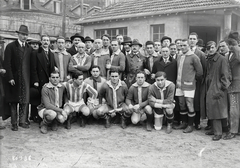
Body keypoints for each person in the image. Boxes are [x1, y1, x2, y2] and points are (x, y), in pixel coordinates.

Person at [4, 25, 33, 131]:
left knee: (24, 101)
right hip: (14, 79)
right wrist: (10, 77)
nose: (24, 37)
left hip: (25, 79)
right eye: (22, 34)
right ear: (18, 35)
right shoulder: (10, 46)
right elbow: (7, 64)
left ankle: (22, 121)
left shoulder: (29, 48)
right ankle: (14, 123)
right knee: (14, 102)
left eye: (26, 35)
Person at [174, 39, 203, 133]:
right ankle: (184, 123)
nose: (182, 47)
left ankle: (190, 125)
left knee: (189, 104)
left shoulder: (194, 57)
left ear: (189, 46)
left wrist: (192, 80)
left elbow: (200, 72)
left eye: (184, 45)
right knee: (182, 104)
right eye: (181, 45)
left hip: (189, 85)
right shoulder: (179, 56)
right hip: (179, 85)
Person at [204, 41, 230, 141]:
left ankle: (218, 133)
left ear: (216, 48)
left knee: (217, 110)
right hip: (210, 86)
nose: (210, 49)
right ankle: (215, 129)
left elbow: (225, 75)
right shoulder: (209, 59)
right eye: (208, 47)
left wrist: (222, 89)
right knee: (213, 109)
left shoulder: (222, 59)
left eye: (213, 47)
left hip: (218, 87)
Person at [30, 34, 56, 123]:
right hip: (39, 79)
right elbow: (33, 68)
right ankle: (34, 115)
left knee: (45, 98)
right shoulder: (35, 53)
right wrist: (35, 80)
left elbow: (52, 67)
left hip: (48, 79)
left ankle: (43, 115)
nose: (46, 42)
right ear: (41, 42)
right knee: (37, 97)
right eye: (44, 40)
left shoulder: (52, 54)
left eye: (47, 40)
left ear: (49, 42)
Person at [222, 38, 240, 140]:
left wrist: (236, 46)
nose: (229, 47)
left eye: (230, 45)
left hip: (237, 86)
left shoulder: (237, 52)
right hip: (230, 86)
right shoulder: (228, 55)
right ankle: (234, 129)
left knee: (234, 110)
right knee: (233, 109)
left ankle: (233, 131)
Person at [188, 32, 207, 130]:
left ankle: (197, 122)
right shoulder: (184, 52)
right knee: (188, 101)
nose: (191, 41)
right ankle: (188, 121)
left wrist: (197, 79)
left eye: (193, 39)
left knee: (196, 102)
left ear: (196, 41)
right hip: (187, 82)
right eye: (190, 39)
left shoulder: (201, 54)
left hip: (197, 82)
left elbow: (203, 69)